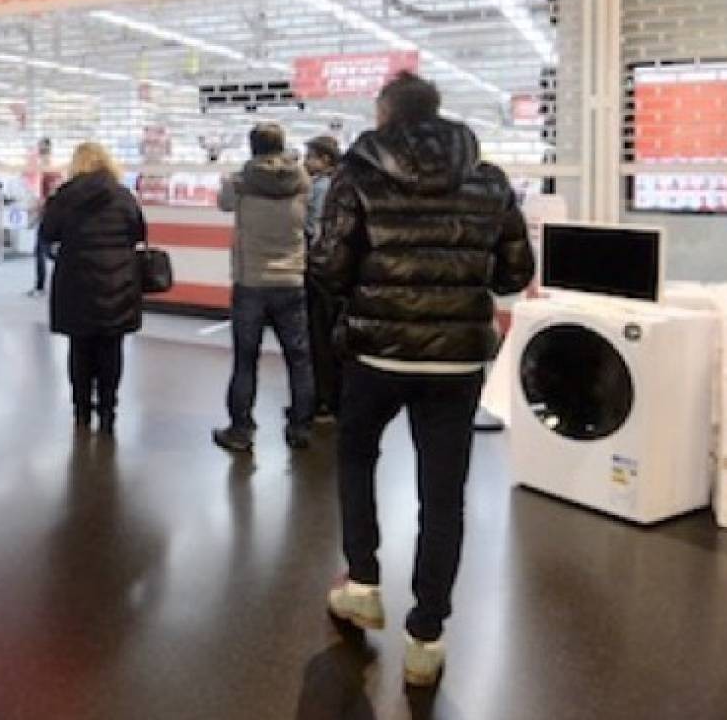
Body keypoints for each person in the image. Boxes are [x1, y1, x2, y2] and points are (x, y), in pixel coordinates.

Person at [311, 71, 533, 688]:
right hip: (456, 362)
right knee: (443, 495)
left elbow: (329, 266)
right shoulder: (488, 180)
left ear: (385, 114)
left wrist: (367, 288)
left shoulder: (357, 176)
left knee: (356, 456)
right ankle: (427, 637)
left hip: (375, 355)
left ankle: (362, 583)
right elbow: (515, 273)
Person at [212, 122, 316, 454]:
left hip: (251, 283)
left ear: (252, 146)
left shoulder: (239, 182)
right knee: (299, 359)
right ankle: (301, 428)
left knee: (246, 360)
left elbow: (223, 203)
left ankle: (241, 430)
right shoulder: (302, 180)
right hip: (292, 280)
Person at [39, 142, 147, 432]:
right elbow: (138, 233)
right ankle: (108, 410)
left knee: (80, 348)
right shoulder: (123, 196)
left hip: (77, 281)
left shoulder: (65, 197)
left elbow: (47, 233)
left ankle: (82, 410)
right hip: (118, 281)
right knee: (111, 347)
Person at [303, 135, 344, 424]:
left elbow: (315, 228)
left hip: (319, 272)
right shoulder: (343, 185)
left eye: (311, 156)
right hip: (337, 274)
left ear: (325, 159)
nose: (307, 162)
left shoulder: (320, 188)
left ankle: (322, 400)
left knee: (318, 337)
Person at [27, 137, 59, 298]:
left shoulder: (49, 170)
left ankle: (40, 286)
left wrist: (39, 209)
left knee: (42, 250)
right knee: (44, 250)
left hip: (48, 214)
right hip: (50, 213)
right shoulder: (50, 169)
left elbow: (50, 194)